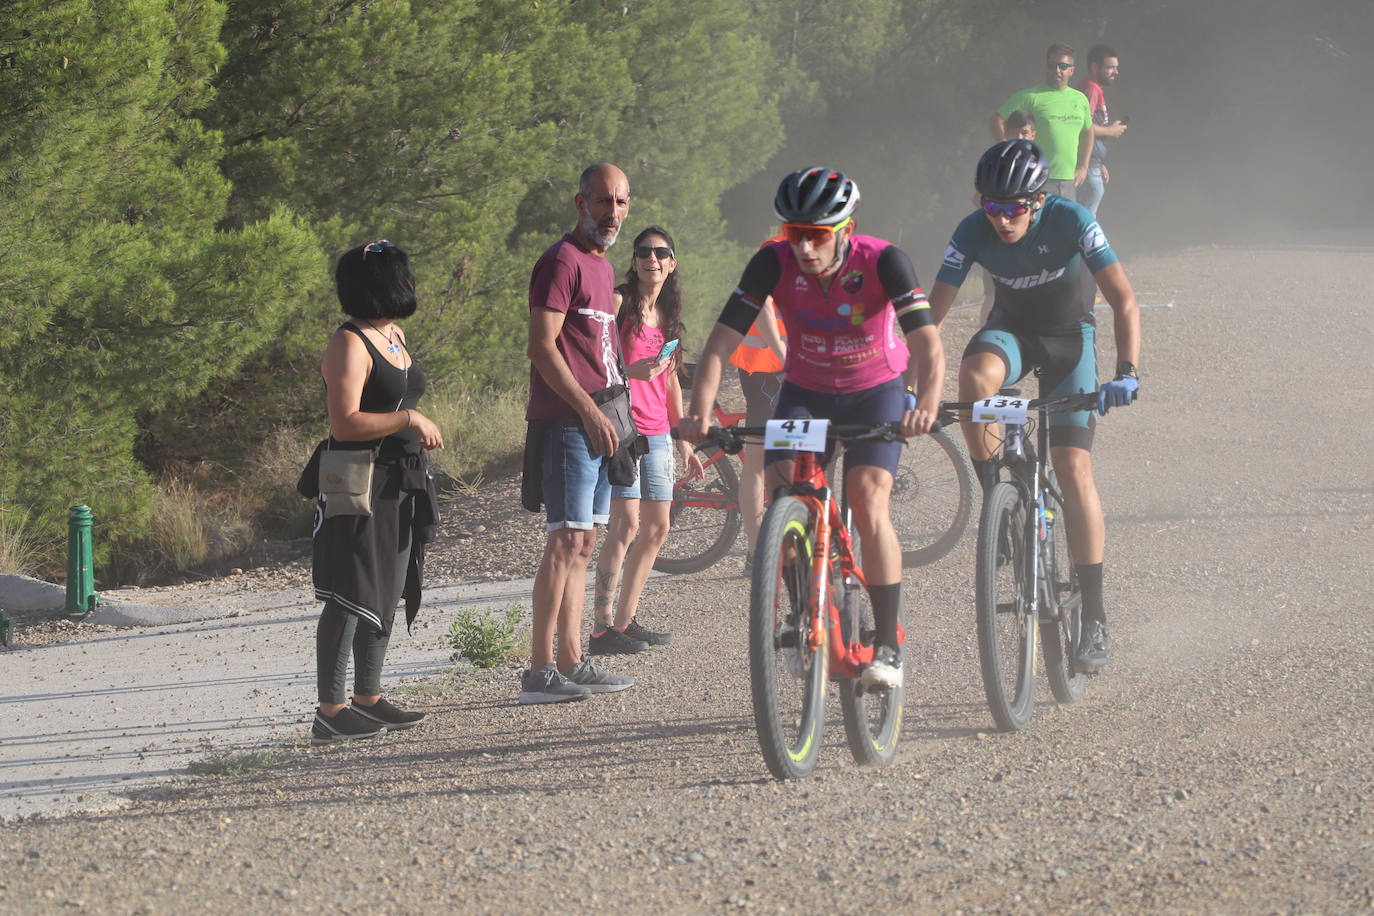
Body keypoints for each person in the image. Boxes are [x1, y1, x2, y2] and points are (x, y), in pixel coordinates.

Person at [680, 167, 945, 689]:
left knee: (868, 502)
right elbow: (719, 343)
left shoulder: (883, 260)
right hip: (806, 392)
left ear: (846, 229)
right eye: (793, 234)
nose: (803, 248)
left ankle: (887, 642)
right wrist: (700, 412)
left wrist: (927, 405)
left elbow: (928, 344)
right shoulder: (772, 261)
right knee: (783, 491)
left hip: (875, 391)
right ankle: (800, 610)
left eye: (816, 236)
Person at [926, 140, 1141, 672]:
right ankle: (999, 495)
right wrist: (915, 387)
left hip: (1071, 339)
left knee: (1073, 468)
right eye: (991, 206)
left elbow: (1124, 298)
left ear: (1039, 201)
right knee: (975, 379)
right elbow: (930, 318)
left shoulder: (1071, 219)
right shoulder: (971, 230)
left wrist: (1127, 372)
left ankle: (1093, 616)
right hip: (1012, 335)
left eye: (1014, 207)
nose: (1001, 219)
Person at [310, 239, 445, 744]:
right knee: (350, 587)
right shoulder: (348, 342)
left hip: (400, 476)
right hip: (351, 472)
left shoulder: (393, 334)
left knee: (389, 582)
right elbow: (344, 423)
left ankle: (367, 696)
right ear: (384, 283)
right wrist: (409, 418)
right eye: (405, 277)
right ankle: (330, 708)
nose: (412, 286)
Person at [520, 162, 637, 704]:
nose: (611, 212)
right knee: (565, 541)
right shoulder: (560, 261)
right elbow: (542, 347)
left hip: (602, 423)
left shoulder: (603, 267)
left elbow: (599, 351)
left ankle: (572, 660)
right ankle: (539, 670)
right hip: (569, 423)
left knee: (585, 542)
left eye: (620, 202)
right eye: (602, 201)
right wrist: (589, 411)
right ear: (579, 203)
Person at [589, 226, 704, 654]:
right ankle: (601, 631)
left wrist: (683, 439)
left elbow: (671, 381)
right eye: (643, 252)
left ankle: (625, 621)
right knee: (626, 525)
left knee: (657, 527)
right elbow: (592, 361)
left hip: (657, 431)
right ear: (634, 260)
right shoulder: (618, 303)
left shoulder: (668, 315)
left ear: (672, 263)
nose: (650, 259)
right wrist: (626, 374)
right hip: (624, 428)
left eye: (660, 253)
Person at [730, 293, 787, 576]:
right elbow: (762, 300)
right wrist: (781, 350)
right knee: (758, 461)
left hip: (787, 369)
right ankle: (756, 552)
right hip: (768, 369)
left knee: (798, 454)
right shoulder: (778, 247)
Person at [991, 44, 1092, 200]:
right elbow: (997, 119)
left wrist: (1083, 166)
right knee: (1036, 224)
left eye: (1063, 66)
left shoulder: (1081, 99)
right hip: (1036, 178)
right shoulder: (1031, 96)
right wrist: (1008, 152)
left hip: (1068, 181)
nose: (1057, 70)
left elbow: (1088, 132)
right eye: (1052, 65)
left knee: (1063, 225)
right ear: (1046, 68)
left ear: (1071, 70)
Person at [978, 110, 1037, 321]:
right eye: (1014, 133)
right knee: (992, 294)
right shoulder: (994, 161)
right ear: (1006, 135)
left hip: (1029, 238)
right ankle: (983, 340)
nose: (1020, 138)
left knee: (1031, 291)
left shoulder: (1039, 165)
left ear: (1033, 135)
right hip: (997, 234)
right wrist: (998, 214)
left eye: (1025, 132)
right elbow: (978, 199)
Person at [1076, 44, 1127, 216]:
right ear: (1094, 67)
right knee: (1086, 220)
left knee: (1087, 217)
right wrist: (1110, 131)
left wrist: (1100, 163)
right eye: (1110, 67)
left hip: (1093, 165)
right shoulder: (1091, 90)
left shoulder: (1095, 89)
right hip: (1088, 168)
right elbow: (1082, 126)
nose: (1115, 72)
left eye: (1116, 67)